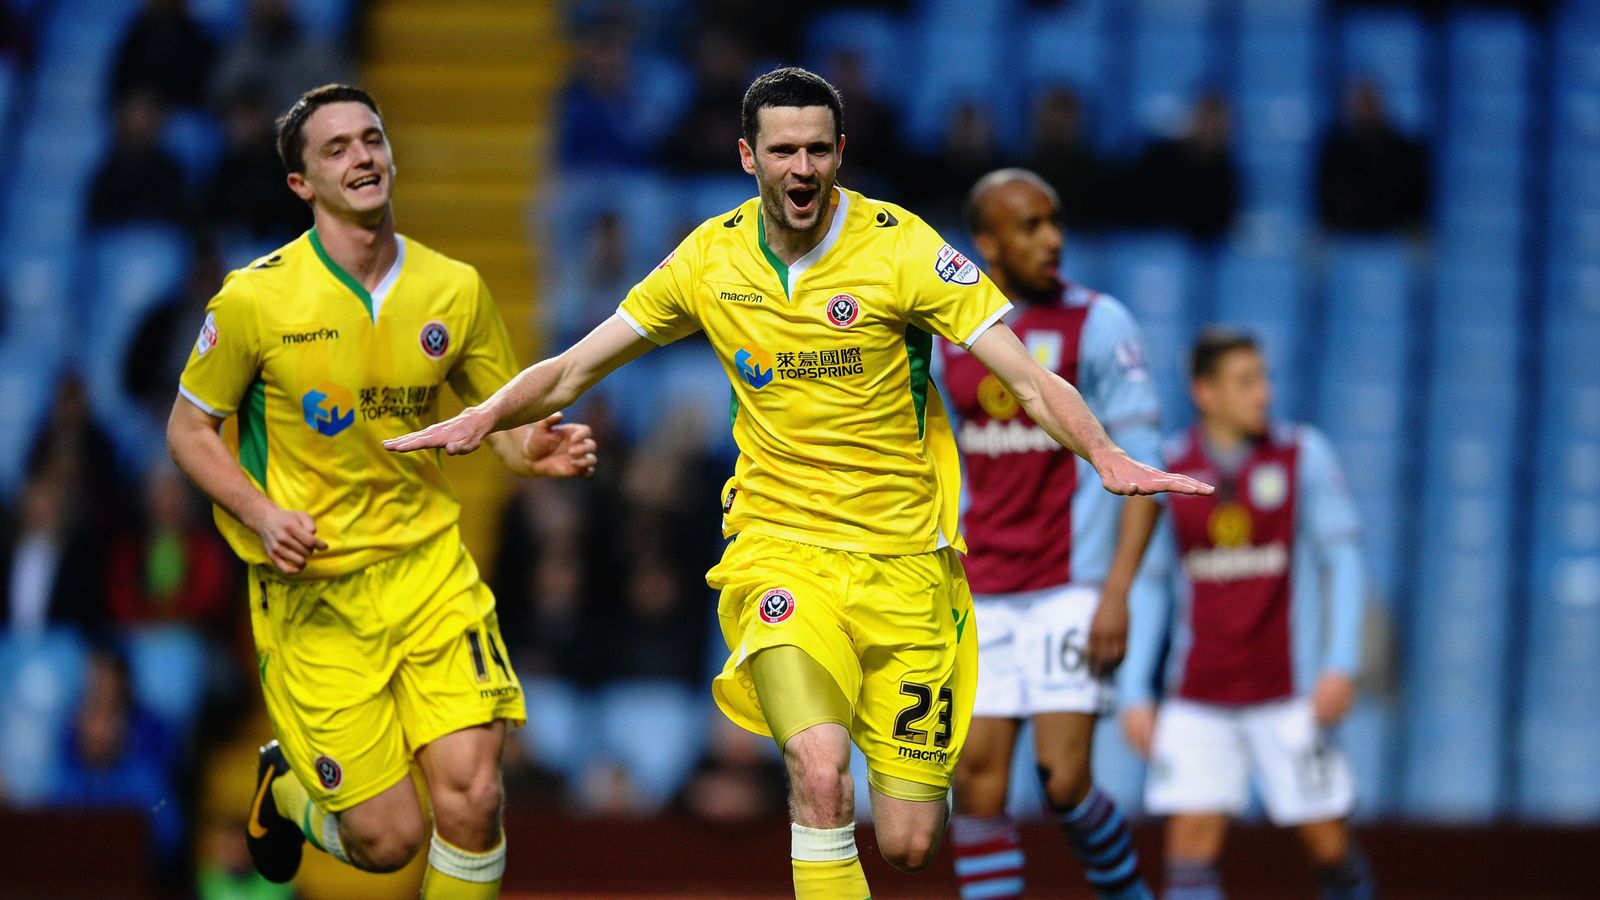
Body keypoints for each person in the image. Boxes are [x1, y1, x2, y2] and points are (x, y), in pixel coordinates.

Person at [386, 67, 1211, 899]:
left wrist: (1102, 453)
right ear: (749, 157)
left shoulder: (902, 246)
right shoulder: (710, 257)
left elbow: (1027, 380)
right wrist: (482, 417)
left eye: (819, 148)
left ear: (841, 152)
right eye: (784, 150)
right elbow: (571, 371)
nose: (803, 167)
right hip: (782, 556)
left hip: (906, 569)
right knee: (819, 774)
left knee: (911, 840)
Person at [165, 84, 599, 898]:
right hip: (315, 595)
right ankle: (285, 792)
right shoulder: (254, 299)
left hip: (429, 572)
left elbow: (500, 418)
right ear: (302, 185)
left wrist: (531, 449)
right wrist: (259, 514)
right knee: (388, 840)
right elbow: (187, 432)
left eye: (371, 138)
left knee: (475, 797)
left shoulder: (454, 290)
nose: (362, 157)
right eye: (336, 149)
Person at [942, 169, 1160, 900]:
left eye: (1054, 220)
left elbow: (1141, 466)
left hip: (1072, 584)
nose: (1052, 238)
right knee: (977, 784)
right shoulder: (947, 337)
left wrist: (1118, 593)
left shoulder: (1099, 324)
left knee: (1064, 783)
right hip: (983, 590)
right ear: (986, 245)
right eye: (1030, 226)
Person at [1119, 329, 1376, 900]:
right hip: (1199, 695)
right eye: (1246, 382)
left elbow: (1346, 561)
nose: (1264, 393)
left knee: (1328, 845)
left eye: (1263, 378)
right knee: (1190, 844)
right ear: (1204, 393)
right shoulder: (1172, 469)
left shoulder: (1300, 456)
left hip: (1288, 693)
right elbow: (1153, 584)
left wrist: (1341, 663)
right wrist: (1136, 688)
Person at [1316, 80, 1429, 233]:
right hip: (1346, 227)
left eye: (1371, 102)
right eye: (1360, 102)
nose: (1365, 109)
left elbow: (1415, 199)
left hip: (1395, 228)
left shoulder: (1407, 151)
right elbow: (1327, 200)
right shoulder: (1335, 151)